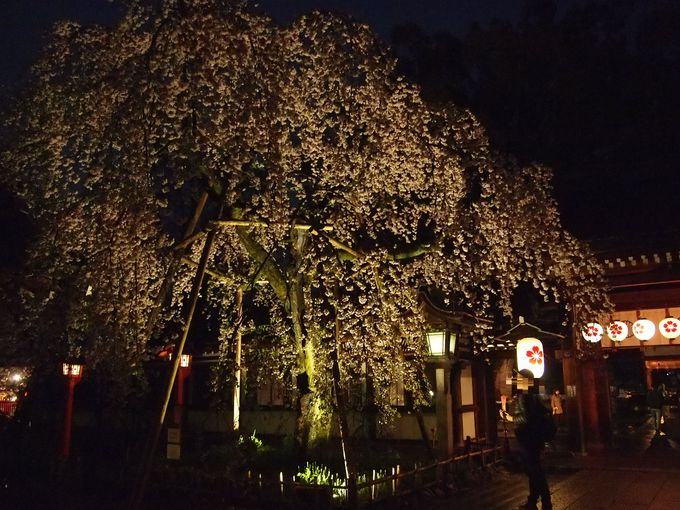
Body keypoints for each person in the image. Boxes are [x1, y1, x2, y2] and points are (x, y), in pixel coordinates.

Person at [513, 371, 553, 510]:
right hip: (537, 436)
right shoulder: (539, 394)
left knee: (534, 470)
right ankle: (535, 499)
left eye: (518, 378)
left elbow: (523, 418)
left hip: (527, 437)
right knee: (534, 469)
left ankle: (544, 501)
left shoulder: (525, 396)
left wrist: (510, 418)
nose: (516, 381)